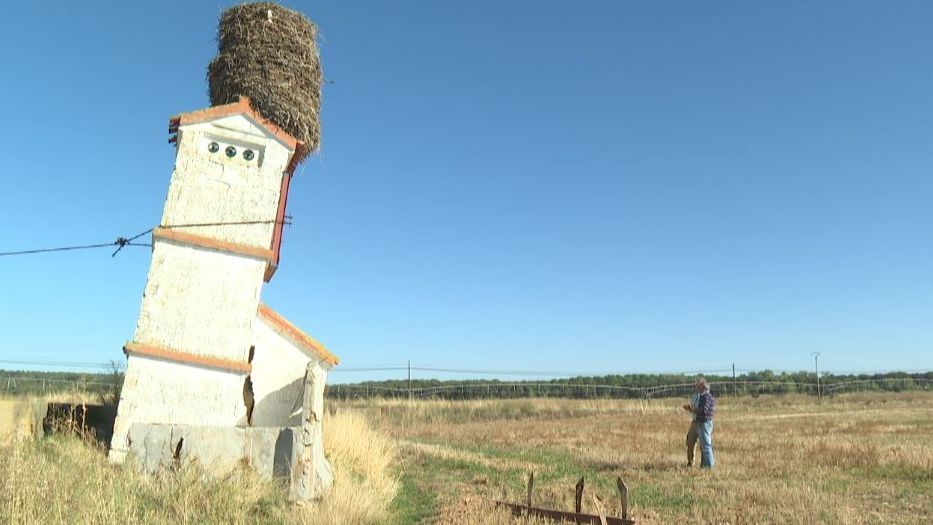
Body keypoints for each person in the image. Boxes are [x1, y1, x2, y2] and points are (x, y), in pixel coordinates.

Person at [694, 377, 716, 468]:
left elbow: (704, 410)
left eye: (698, 386)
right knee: (704, 446)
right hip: (705, 422)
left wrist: (693, 410)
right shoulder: (706, 396)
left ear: (702, 387)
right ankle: (704, 466)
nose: (696, 388)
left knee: (706, 446)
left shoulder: (705, 397)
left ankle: (710, 467)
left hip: (704, 423)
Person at [681, 387, 700, 466]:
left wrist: (691, 409)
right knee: (690, 441)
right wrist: (688, 407)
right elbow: (693, 406)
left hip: (702, 422)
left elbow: (703, 410)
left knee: (704, 444)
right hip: (694, 421)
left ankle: (706, 464)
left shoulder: (704, 396)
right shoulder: (694, 396)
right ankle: (690, 462)